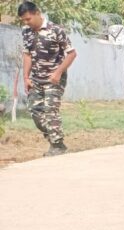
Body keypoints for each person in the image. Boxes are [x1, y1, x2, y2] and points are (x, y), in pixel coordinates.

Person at [19, 1, 77, 157]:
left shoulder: (56, 30)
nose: (26, 22)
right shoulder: (26, 32)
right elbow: (27, 54)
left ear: (37, 13)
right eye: (24, 20)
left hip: (54, 78)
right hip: (36, 79)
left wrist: (58, 73)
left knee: (50, 110)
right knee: (34, 111)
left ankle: (58, 146)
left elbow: (71, 54)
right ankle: (54, 139)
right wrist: (26, 77)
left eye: (28, 19)